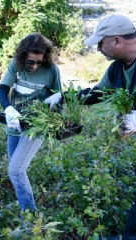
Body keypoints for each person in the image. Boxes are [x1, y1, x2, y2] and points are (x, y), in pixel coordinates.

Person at [45, 14, 136, 240]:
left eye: (100, 43)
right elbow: (97, 93)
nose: (97, 49)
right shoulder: (117, 69)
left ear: (116, 41)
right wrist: (63, 97)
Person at [0, 33, 62, 234]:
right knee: (16, 170)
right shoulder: (15, 65)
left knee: (15, 170)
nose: (33, 66)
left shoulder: (51, 70)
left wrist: (53, 110)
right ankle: (25, 206)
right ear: (22, 55)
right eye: (30, 62)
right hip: (15, 125)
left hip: (36, 127)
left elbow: (58, 98)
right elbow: (2, 90)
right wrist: (8, 109)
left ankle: (30, 222)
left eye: (38, 62)